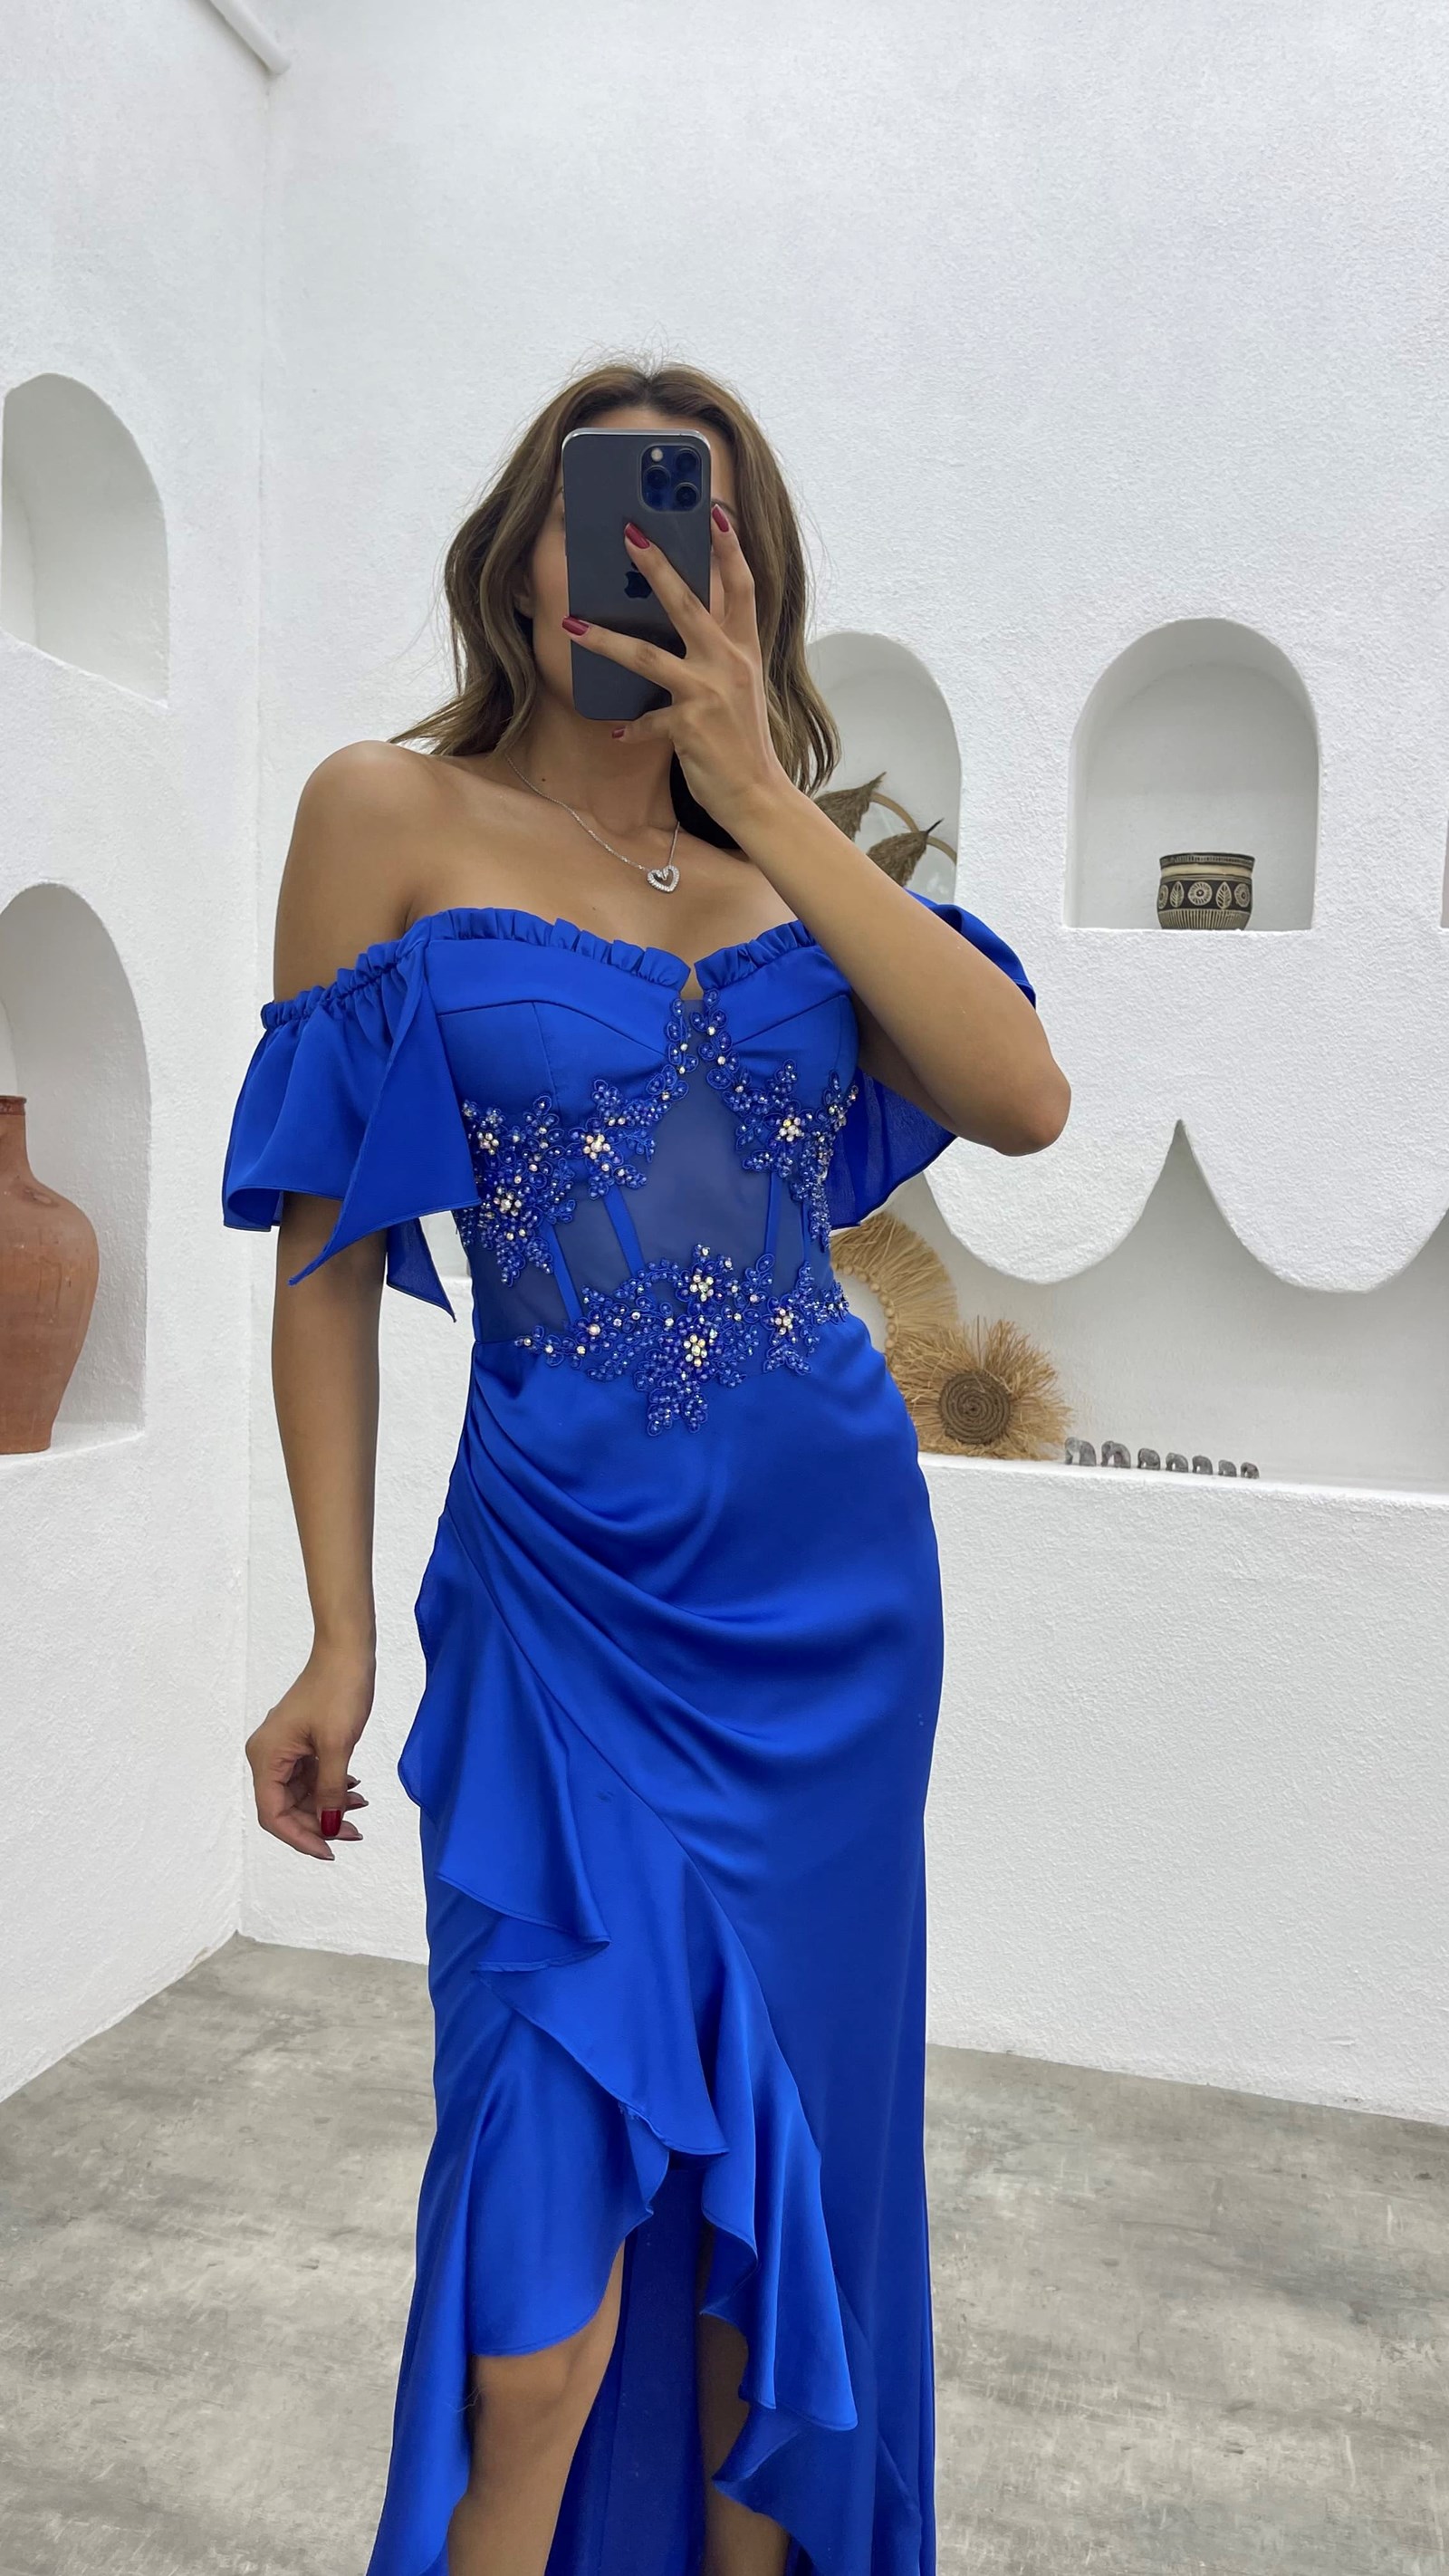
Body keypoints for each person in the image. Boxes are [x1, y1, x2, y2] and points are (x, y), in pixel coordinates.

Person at [222, 358, 1070, 2576]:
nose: (628, 567)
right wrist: (333, 1633)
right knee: (535, 2329)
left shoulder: (801, 856)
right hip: (559, 1600)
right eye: (592, 514)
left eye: (693, 534)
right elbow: (322, 1260)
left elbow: (1019, 1098)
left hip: (825, 1608)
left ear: (749, 587)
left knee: (765, 2280)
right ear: (517, 549)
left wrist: (766, 796)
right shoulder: (380, 818)